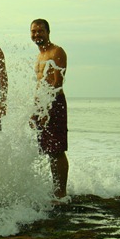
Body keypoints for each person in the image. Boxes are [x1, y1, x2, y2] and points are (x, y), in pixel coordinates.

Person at [29, 18, 69, 200]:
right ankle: (55, 189)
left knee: (58, 150)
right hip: (42, 105)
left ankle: (61, 193)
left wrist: (48, 110)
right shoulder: (39, 56)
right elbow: (40, 86)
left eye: (40, 31)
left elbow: (56, 84)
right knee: (48, 149)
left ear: (48, 32)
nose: (37, 34)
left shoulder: (56, 52)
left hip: (55, 103)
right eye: (34, 31)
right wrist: (35, 111)